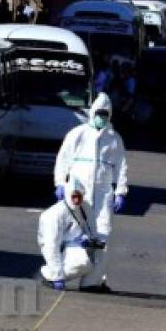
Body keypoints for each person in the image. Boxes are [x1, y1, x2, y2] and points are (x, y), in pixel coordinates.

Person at [53, 93, 128, 291]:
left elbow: (121, 166)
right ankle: (58, 274)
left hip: (103, 194)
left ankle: (93, 281)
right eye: (99, 113)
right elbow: (63, 159)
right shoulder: (78, 134)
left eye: (105, 114)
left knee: (103, 236)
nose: (101, 117)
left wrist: (121, 191)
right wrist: (60, 183)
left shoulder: (114, 139)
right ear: (93, 112)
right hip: (79, 191)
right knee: (76, 234)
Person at [38, 179, 103, 290]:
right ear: (68, 196)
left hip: (74, 242)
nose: (77, 200)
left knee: (100, 253)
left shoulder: (84, 207)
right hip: (57, 246)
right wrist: (57, 276)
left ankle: (91, 284)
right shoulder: (54, 215)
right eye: (74, 197)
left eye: (79, 197)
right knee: (83, 262)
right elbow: (51, 246)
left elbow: (91, 229)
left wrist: (88, 239)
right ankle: (50, 275)